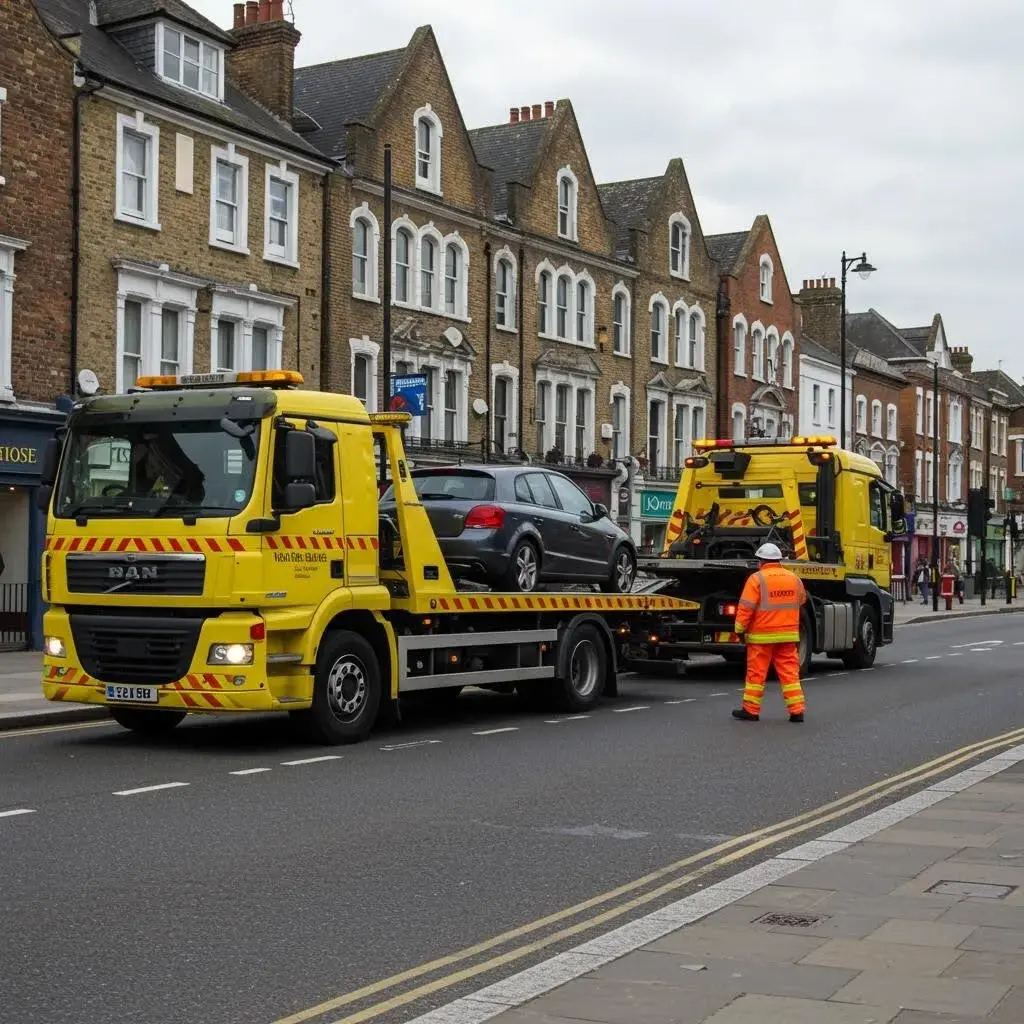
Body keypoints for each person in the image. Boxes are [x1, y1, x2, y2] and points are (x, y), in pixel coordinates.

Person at [731, 542, 808, 723]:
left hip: (761, 637)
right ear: (779, 560)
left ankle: (751, 710)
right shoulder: (794, 579)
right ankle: (797, 711)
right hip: (787, 635)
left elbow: (746, 608)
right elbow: (801, 600)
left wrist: (739, 630)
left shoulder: (756, 579)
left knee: (756, 675)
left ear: (761, 561)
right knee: (790, 674)